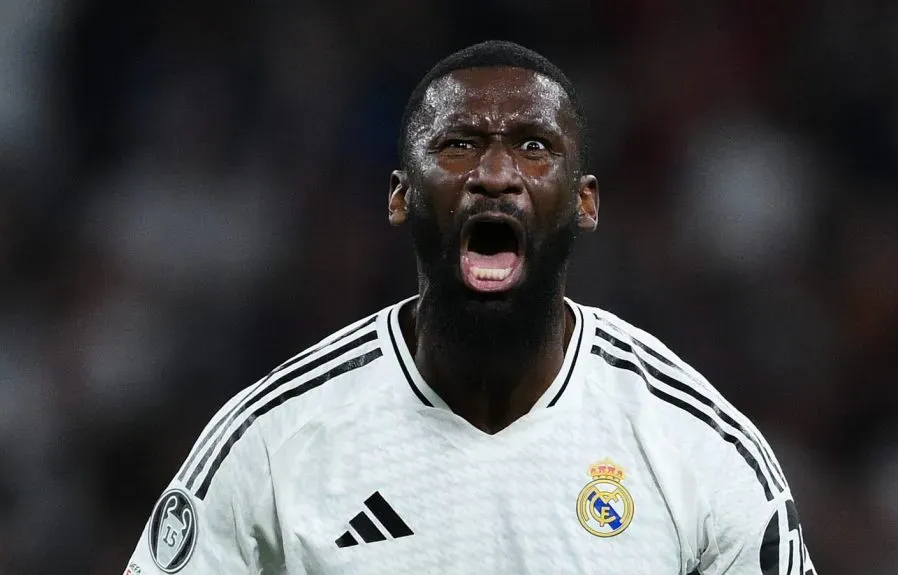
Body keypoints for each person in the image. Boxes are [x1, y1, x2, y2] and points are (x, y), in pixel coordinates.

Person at [124, 40, 817, 575]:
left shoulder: (694, 446)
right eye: (459, 144)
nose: (494, 174)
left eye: (534, 145)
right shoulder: (274, 440)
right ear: (400, 195)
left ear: (586, 201)